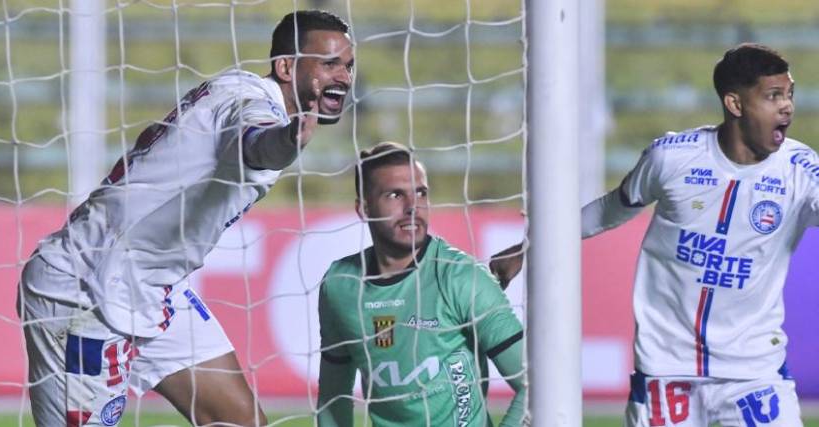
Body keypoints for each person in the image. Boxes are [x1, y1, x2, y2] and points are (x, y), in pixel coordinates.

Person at [17, 10, 354, 426]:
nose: (344, 76)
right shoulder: (250, 105)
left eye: (349, 65)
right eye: (330, 63)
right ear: (286, 66)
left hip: (154, 288)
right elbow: (255, 142)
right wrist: (287, 141)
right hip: (85, 288)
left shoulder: (235, 88)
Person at [493, 43, 805, 426]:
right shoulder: (671, 159)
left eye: (789, 95)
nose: (787, 107)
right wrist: (530, 244)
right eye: (774, 96)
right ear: (735, 104)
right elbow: (611, 209)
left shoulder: (801, 172)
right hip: (666, 371)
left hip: (754, 374)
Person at [316, 142, 527, 427]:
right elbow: (333, 398)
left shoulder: (461, 278)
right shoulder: (340, 286)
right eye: (395, 195)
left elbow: (535, 384)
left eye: (421, 193)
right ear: (364, 208)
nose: (412, 207)